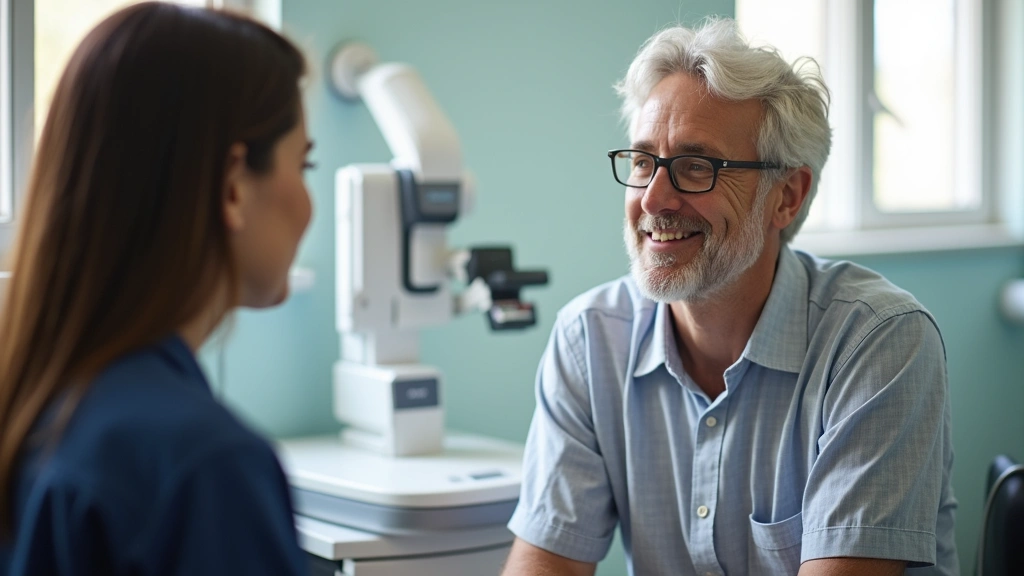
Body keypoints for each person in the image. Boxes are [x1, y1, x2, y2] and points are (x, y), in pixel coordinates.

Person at [502, 17, 958, 576]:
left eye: (697, 167)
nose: (654, 200)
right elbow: (546, 565)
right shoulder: (590, 339)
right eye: (644, 162)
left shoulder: (878, 342)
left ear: (785, 197)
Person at [0, 3, 314, 574]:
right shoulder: (202, 465)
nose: (308, 204)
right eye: (304, 164)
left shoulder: (32, 406)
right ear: (233, 187)